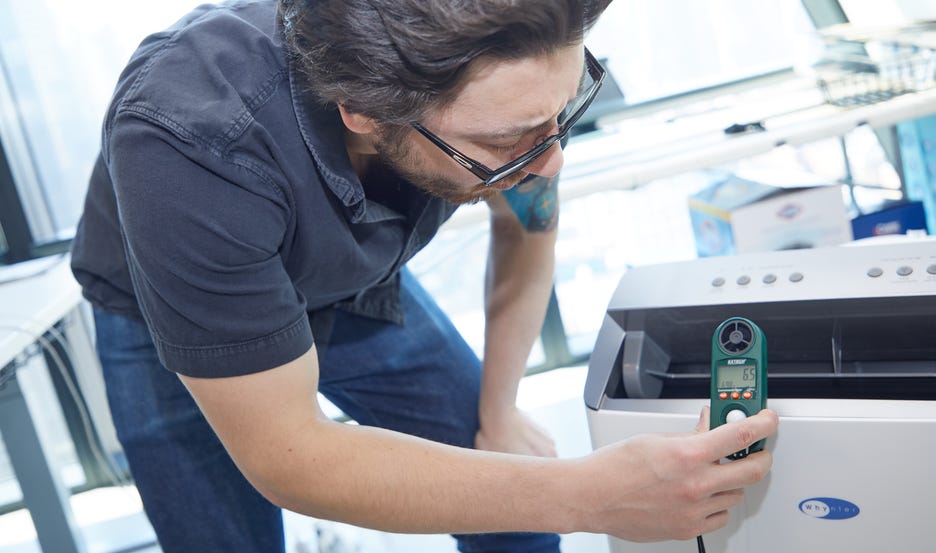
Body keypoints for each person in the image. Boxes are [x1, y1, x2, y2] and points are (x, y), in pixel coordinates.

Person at [70, 0, 779, 551]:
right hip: (169, 321)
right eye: (506, 144)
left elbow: (528, 231)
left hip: (352, 288)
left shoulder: (512, 96)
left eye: (560, 115)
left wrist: (499, 415)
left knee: (516, 509)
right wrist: (585, 494)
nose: (551, 162)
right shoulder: (189, 146)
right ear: (365, 114)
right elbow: (291, 457)